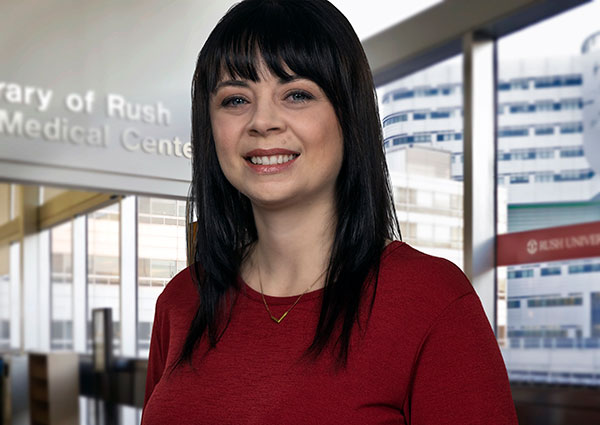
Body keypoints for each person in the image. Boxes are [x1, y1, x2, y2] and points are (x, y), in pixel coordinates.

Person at [141, 0, 518, 423]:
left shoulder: (433, 300)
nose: (262, 121)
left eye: (297, 94)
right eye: (235, 99)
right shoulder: (181, 300)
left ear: (348, 116)